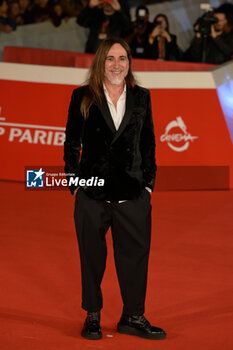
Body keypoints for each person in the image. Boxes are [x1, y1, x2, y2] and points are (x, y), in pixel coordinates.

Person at [64, 37, 167, 341]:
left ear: (129, 63)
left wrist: (147, 185)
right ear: (100, 62)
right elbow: (72, 144)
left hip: (132, 195)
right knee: (92, 257)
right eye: (110, 58)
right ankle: (92, 316)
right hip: (92, 196)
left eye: (122, 58)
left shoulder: (142, 97)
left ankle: (133, 317)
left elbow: (148, 143)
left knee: (135, 257)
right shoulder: (82, 96)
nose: (117, 64)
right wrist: (75, 186)